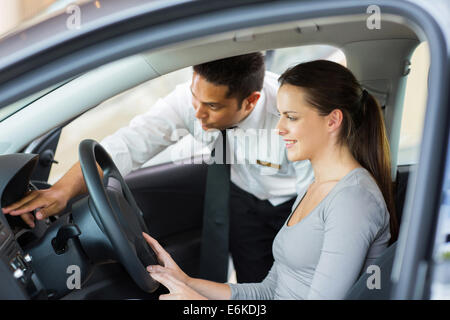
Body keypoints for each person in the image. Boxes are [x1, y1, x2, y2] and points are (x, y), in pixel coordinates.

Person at [2, 53, 314, 284]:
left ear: (250, 101)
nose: (198, 114)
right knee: (254, 279)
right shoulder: (190, 102)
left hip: (295, 204)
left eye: (213, 107)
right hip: (243, 195)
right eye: (196, 97)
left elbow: (314, 191)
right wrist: (61, 191)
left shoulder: (291, 117)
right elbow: (125, 145)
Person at [139, 59, 400, 300]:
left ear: (332, 121)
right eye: (280, 115)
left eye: (292, 117)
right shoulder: (314, 188)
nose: (279, 128)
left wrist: (198, 304)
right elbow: (269, 291)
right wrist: (187, 282)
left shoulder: (353, 201)